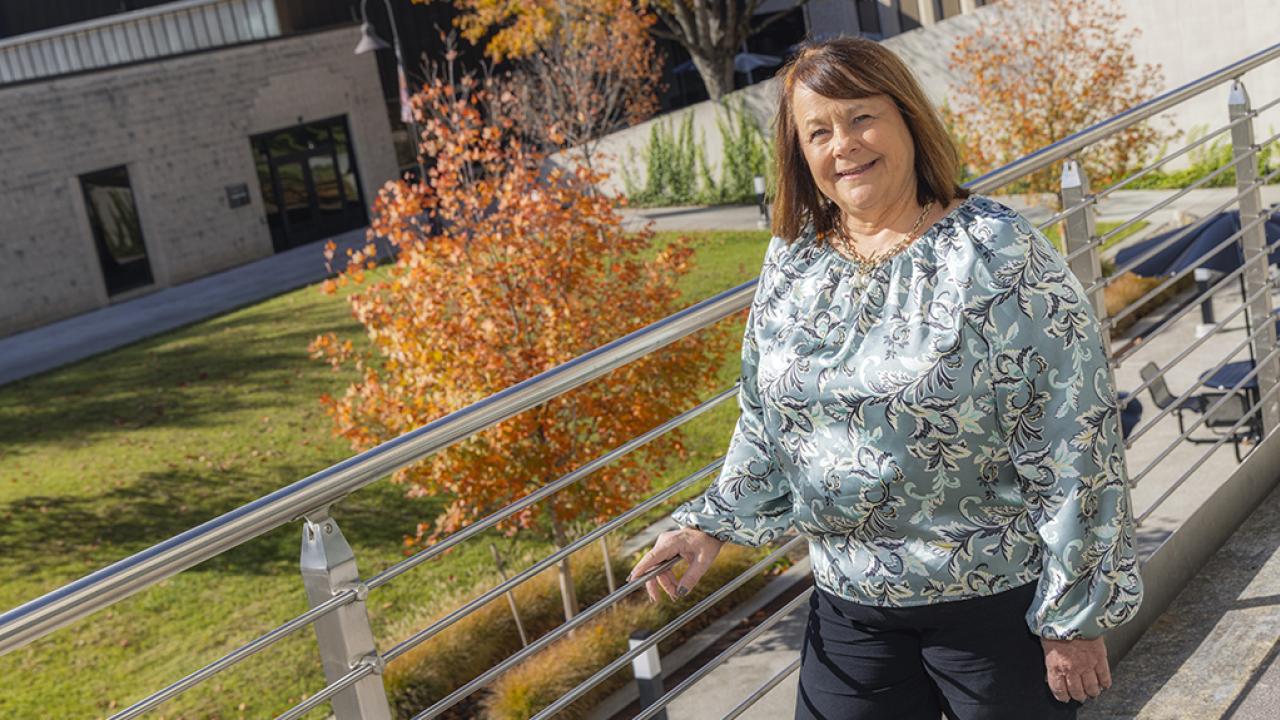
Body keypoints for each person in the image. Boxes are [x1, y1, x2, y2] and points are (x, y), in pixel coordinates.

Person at [627, 37, 1143, 720]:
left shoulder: (996, 253)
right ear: (799, 153)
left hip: (990, 609)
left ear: (906, 120)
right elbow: (764, 418)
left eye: (861, 117)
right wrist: (712, 524)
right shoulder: (792, 262)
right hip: (849, 609)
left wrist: (1074, 615)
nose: (843, 144)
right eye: (819, 131)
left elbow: (1076, 439)